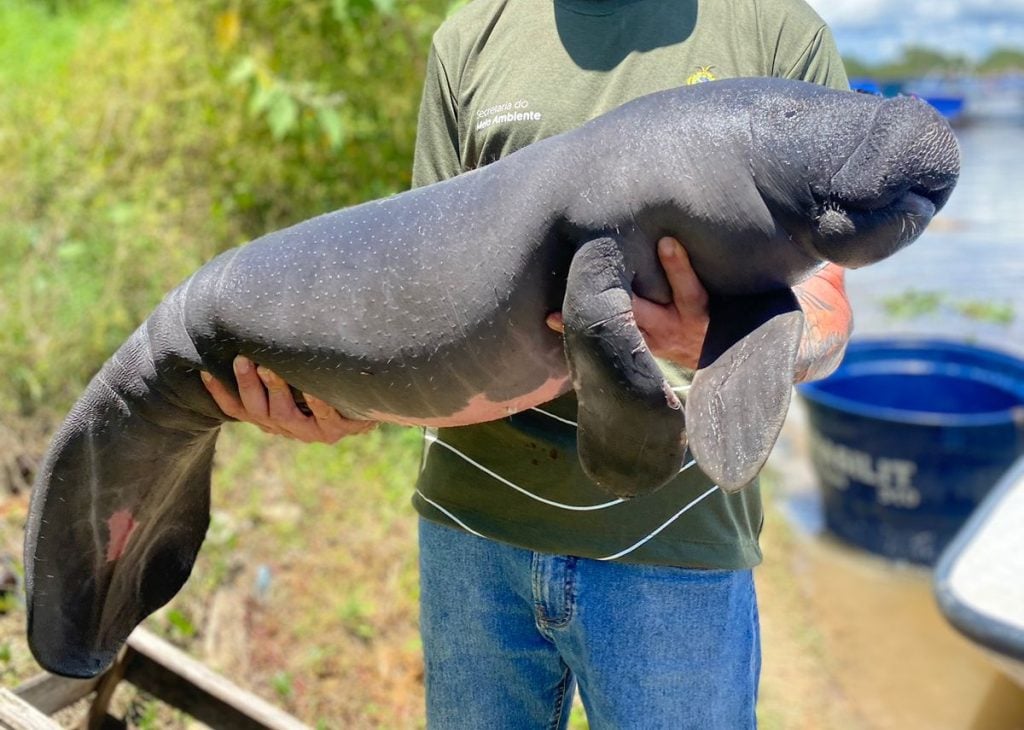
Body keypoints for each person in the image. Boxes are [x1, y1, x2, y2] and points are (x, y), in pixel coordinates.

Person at [202, 1, 853, 726]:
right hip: (472, 538)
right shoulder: (472, 37)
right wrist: (340, 402)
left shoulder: (775, 33)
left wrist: (721, 341)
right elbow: (423, 295)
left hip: (674, 545)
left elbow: (825, 299)